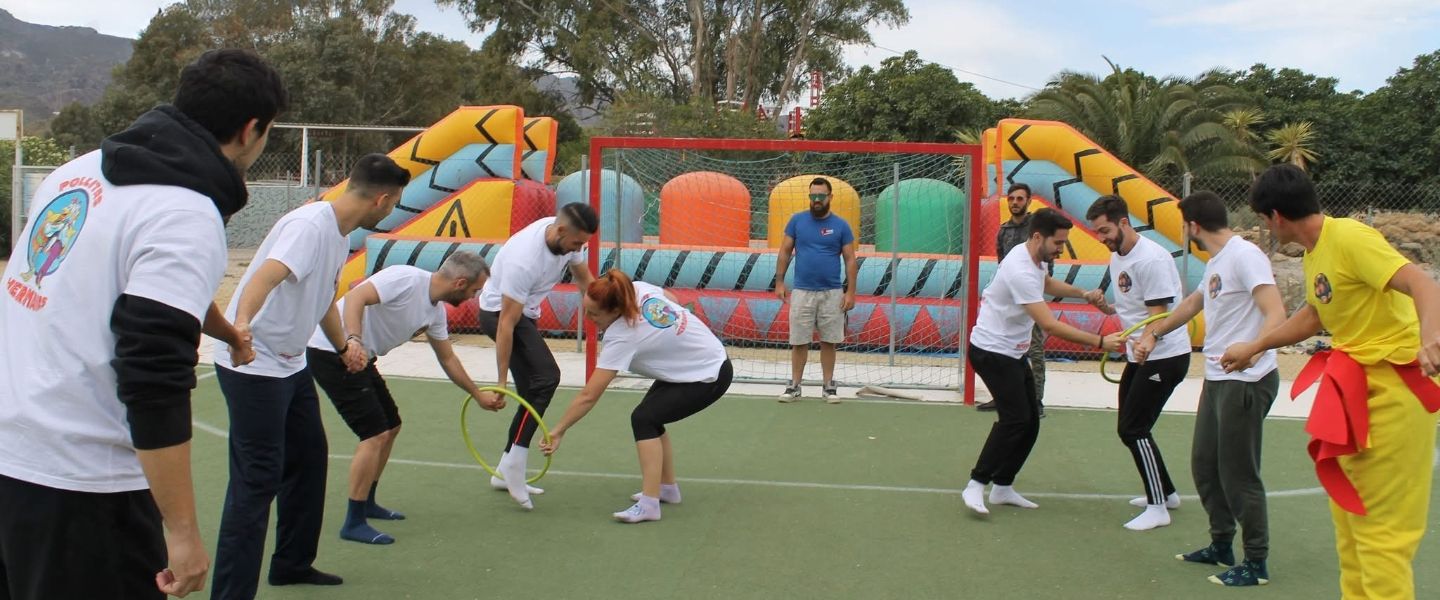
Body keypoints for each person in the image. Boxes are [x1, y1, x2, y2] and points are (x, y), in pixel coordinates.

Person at [0, 49, 285, 599]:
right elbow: (153, 378)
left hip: (12, 457)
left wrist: (225, 330)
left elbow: (122, 288)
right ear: (251, 130)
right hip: (86, 487)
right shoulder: (185, 212)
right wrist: (181, 529)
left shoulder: (74, 173)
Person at [1221, 164, 1440, 600]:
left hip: (1396, 391)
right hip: (1354, 391)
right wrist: (1257, 345)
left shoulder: (1351, 238)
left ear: (1275, 217)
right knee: (1349, 515)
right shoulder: (1315, 252)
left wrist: (1431, 337)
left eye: (1263, 220)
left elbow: (1421, 282)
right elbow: (1314, 315)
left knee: (1381, 531)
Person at [211, 154, 407, 599]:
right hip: (254, 364)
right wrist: (240, 328)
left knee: (309, 458)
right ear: (382, 200)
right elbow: (264, 278)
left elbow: (321, 300)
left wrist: (344, 347)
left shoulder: (340, 234)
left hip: (290, 363)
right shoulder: (310, 226)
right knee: (256, 481)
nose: (391, 210)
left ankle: (292, 564)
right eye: (395, 203)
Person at [1132, 191, 1286, 586]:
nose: (1185, 232)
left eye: (1184, 226)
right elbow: (1191, 305)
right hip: (1219, 378)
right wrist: (1153, 333)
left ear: (1193, 225)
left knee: (1239, 473)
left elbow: (1275, 312)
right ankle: (1221, 544)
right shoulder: (1218, 261)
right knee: (1205, 464)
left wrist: (1254, 350)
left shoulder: (1245, 256)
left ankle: (1256, 562)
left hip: (1246, 380)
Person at [306, 252, 505, 545]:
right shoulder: (405, 278)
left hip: (362, 357)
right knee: (374, 433)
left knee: (391, 425)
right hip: (330, 351)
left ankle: (368, 501)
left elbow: (447, 358)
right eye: (474, 291)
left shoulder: (435, 313)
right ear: (460, 282)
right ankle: (353, 522)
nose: (473, 298)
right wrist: (353, 341)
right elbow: (356, 297)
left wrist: (477, 395)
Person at [962, 209, 1123, 515]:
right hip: (992, 353)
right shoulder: (1019, 270)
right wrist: (1101, 342)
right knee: (1015, 420)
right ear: (1038, 237)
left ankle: (1003, 486)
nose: (1061, 249)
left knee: (1031, 420)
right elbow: (1049, 325)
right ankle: (976, 483)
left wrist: (1083, 293)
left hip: (1012, 352)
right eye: (1058, 243)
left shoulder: (1034, 257)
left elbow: (1045, 283)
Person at [540, 270, 732, 523]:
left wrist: (558, 430)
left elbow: (589, 395)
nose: (588, 318)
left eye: (594, 314)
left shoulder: (623, 336)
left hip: (708, 375)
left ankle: (650, 505)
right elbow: (672, 298)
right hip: (703, 360)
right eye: (586, 310)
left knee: (644, 419)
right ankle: (667, 488)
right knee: (651, 417)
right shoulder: (636, 289)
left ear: (615, 310)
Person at [479, 202, 598, 509]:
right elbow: (506, 324)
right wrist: (501, 381)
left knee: (533, 390)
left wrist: (609, 311)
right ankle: (514, 464)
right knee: (546, 378)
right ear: (561, 231)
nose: (579, 249)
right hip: (498, 315)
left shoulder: (567, 238)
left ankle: (504, 470)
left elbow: (584, 279)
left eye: (582, 244)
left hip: (525, 315)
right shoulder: (524, 260)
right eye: (576, 243)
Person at [1086, 194, 1191, 531]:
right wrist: (1106, 308)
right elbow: (1132, 306)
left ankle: (1158, 507)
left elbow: (1159, 315)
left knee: (1134, 429)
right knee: (1128, 427)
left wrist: (1148, 341)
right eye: (1097, 232)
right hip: (1141, 355)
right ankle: (1167, 494)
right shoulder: (1118, 255)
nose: (1101, 238)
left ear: (1124, 223)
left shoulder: (1152, 259)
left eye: (1105, 231)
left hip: (1165, 357)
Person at [774, 176, 857, 403]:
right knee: (799, 340)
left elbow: (850, 259)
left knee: (829, 340)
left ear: (830, 197)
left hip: (832, 293)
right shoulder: (797, 221)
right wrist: (779, 282)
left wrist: (850, 292)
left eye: (821, 196)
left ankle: (828, 386)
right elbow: (785, 251)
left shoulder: (841, 225)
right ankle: (794, 386)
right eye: (813, 196)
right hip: (802, 292)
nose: (817, 200)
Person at [979, 183, 1049, 417]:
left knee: (1034, 348)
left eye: (1020, 198)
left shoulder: (1037, 229)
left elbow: (1045, 265)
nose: (1015, 202)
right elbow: (1002, 264)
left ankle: (1036, 399)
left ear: (1029, 201)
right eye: (1011, 198)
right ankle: (1002, 395)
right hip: (1008, 301)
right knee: (1001, 347)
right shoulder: (1004, 231)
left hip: (1030, 296)